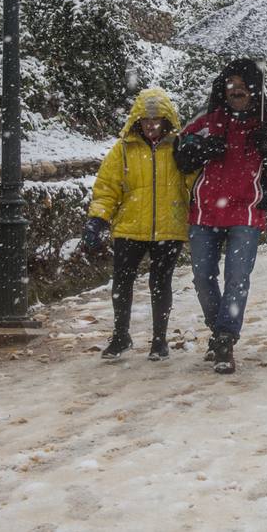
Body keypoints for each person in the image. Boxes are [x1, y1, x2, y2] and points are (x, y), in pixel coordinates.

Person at [174, 58, 267, 375]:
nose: (236, 92)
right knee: (202, 278)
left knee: (237, 278)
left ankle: (226, 338)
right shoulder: (208, 118)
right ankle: (219, 328)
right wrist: (201, 149)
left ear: (254, 90)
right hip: (204, 210)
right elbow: (180, 153)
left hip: (247, 212)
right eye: (231, 86)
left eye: (242, 87)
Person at [84, 88, 191, 361]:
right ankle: (121, 336)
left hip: (168, 226)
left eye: (156, 119)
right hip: (130, 226)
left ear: (167, 120)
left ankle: (159, 340)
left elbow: (193, 183)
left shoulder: (180, 147)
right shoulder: (123, 150)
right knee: (122, 281)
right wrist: (98, 218)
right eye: (145, 119)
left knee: (161, 282)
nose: (151, 124)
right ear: (137, 121)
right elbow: (108, 187)